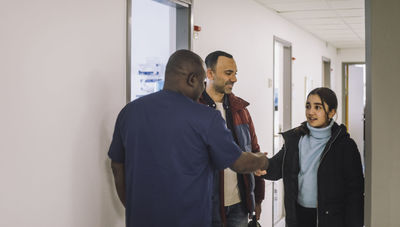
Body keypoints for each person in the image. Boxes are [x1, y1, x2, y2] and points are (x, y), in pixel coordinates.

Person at [108, 50, 269, 227]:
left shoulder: (129, 112)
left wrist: (132, 207)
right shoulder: (207, 118)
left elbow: (117, 166)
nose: (202, 88)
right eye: (202, 82)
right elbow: (238, 163)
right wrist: (262, 160)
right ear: (192, 79)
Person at [260, 87, 364, 227]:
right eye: (308, 106)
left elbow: (355, 192)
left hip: (331, 218)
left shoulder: (345, 145)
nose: (310, 112)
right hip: (299, 215)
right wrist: (260, 164)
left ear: (332, 112)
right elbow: (276, 167)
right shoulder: (296, 139)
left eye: (318, 107)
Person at [199, 51, 265, 227]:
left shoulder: (240, 110)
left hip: (239, 206)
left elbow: (254, 151)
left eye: (235, 73)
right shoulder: (195, 109)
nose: (234, 79)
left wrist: (257, 199)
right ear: (210, 74)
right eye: (229, 73)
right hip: (206, 208)